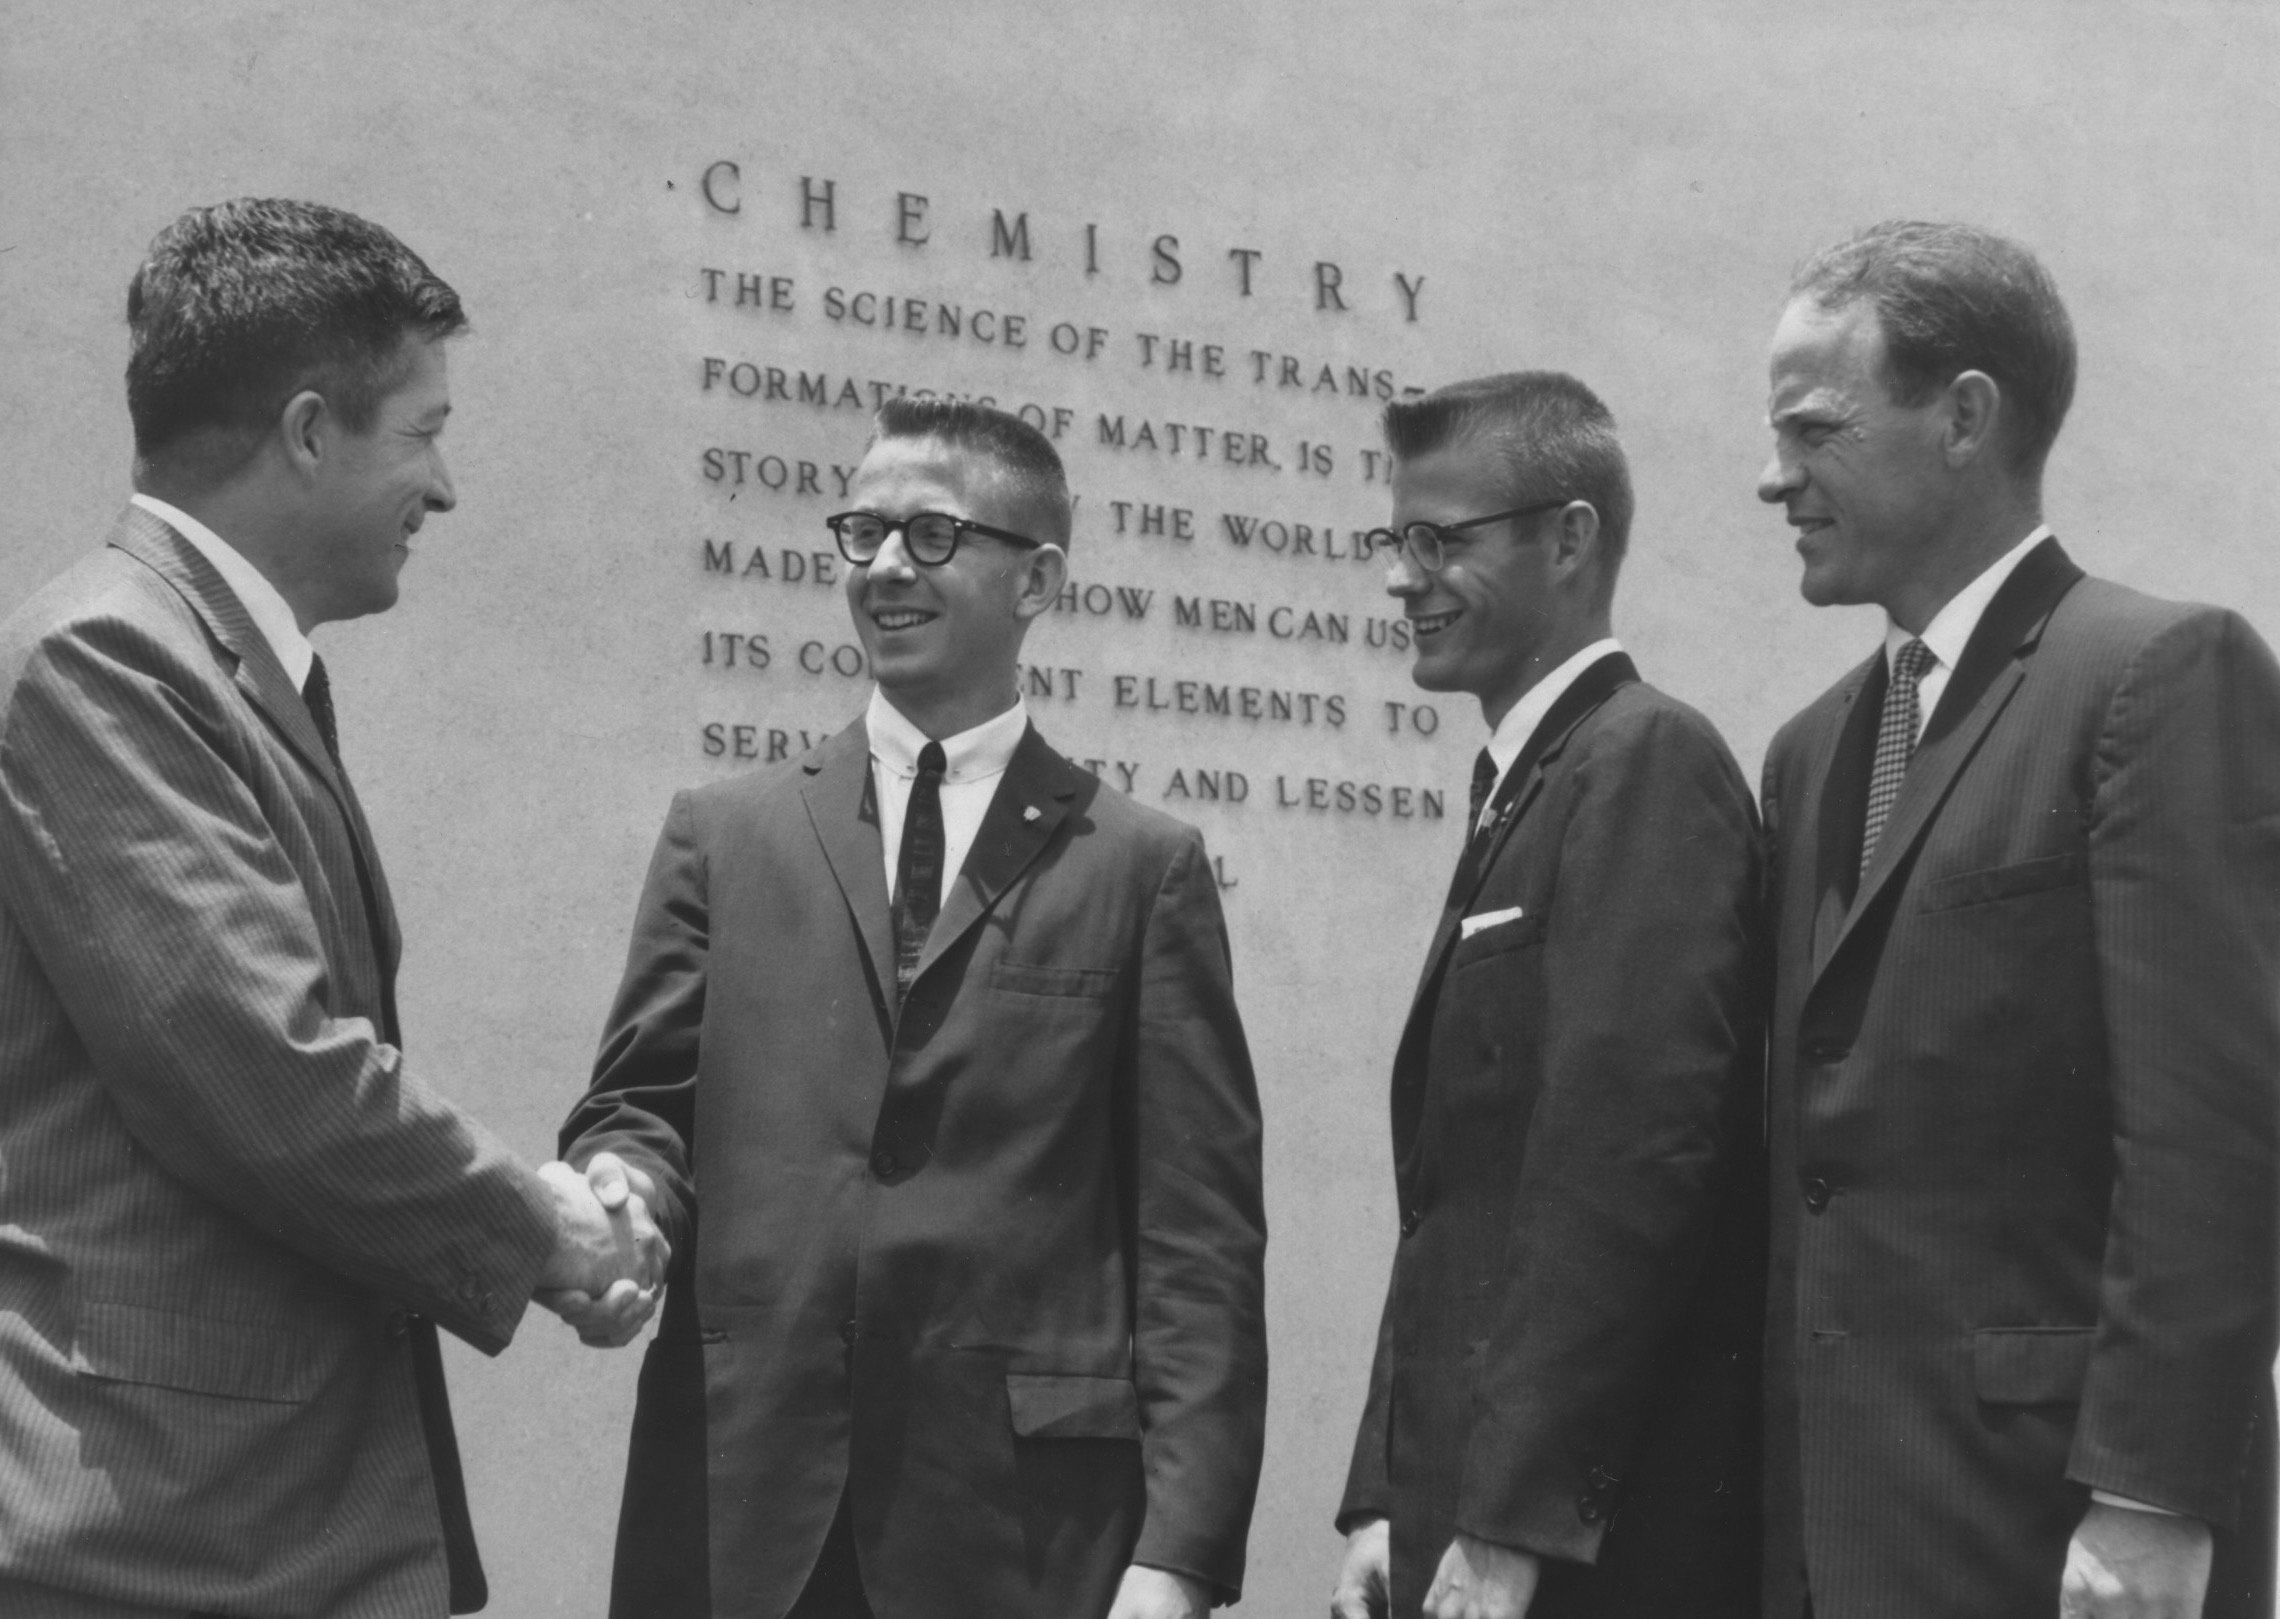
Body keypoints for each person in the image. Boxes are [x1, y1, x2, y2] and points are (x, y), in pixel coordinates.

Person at [0, 197, 665, 1619]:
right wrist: (546, 1230)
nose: (446, 488)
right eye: (424, 433)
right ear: (309, 431)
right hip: (162, 1540)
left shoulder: (217, 662)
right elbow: (255, 1063)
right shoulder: (108, 656)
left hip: (248, 1524)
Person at [558, 397, 1268, 1619]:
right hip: (738, 1511)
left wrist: (1181, 1553)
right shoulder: (721, 834)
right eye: (862, 532)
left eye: (931, 534)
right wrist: (620, 1187)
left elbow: (1197, 1243)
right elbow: (640, 1105)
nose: (885, 565)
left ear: (1037, 578)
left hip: (1022, 1537)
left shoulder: (1141, 867)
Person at [1754, 220, 2279, 1619]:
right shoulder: (1810, 751)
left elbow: (2211, 1135)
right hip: (1825, 1533)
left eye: (1813, 427)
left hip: (2058, 1535)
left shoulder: (2154, 676)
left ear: (1964, 417)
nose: (1773, 475)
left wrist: (2153, 1496)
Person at [1330, 373, 1765, 1619]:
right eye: (1395, 541)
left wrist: (1510, 1525)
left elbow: (1622, 1171)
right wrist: (1383, 1496)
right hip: (1474, 1517)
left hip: (1577, 1551)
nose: (1402, 578)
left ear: (1569, 539)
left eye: (1440, 541)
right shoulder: (1530, 779)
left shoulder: (1644, 758)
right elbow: (1453, 1207)